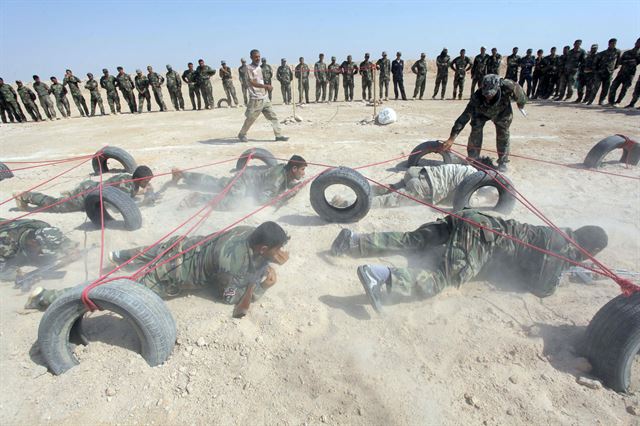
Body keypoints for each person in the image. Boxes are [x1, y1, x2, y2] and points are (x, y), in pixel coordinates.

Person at [330, 209, 608, 313]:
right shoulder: (560, 249)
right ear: (589, 249)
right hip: (483, 238)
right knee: (443, 279)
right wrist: (568, 270)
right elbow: (542, 288)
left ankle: (353, 241)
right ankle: (381, 277)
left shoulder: (556, 235)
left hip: (475, 218)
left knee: (415, 241)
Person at [26, 221, 291, 317]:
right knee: (117, 292)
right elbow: (229, 298)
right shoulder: (233, 265)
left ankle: (117, 255)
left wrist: (268, 257)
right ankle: (45, 297)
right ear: (262, 248)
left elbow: (255, 255)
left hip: (181, 246)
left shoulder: (248, 232)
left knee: (147, 251)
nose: (280, 253)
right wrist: (261, 287)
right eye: (276, 248)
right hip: (170, 275)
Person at [442, 74, 527, 172]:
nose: (488, 97)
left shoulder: (509, 86)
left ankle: (502, 162)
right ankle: (474, 159)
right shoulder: (477, 97)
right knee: (475, 129)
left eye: (491, 94)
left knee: (503, 133)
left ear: (498, 87)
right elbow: (464, 117)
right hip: (482, 112)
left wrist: (521, 104)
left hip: (502, 112)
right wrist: (451, 138)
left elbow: (521, 95)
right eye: (486, 94)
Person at [334, 160, 495, 209]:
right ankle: (347, 203)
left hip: (418, 172)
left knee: (389, 189)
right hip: (426, 186)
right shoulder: (475, 177)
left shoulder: (464, 167)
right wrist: (487, 199)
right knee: (389, 201)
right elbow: (466, 203)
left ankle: (356, 191)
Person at [172, 154, 307, 210]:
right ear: (294, 168)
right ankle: (199, 198)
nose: (304, 173)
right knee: (234, 203)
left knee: (215, 183)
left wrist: (295, 186)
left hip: (245, 177)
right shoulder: (276, 179)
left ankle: (183, 174)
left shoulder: (285, 170)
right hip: (243, 182)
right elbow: (262, 199)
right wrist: (281, 200)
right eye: (302, 170)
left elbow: (284, 183)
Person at [14, 166, 155, 213]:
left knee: (62, 201)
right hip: (86, 196)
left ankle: (71, 193)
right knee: (56, 205)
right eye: (147, 181)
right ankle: (25, 196)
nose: (148, 183)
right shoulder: (126, 186)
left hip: (89, 187)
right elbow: (116, 207)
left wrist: (144, 192)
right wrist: (142, 204)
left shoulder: (129, 178)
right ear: (140, 179)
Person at [0, 218, 77, 281]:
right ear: (33, 242)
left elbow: (57, 237)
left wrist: (69, 249)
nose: (41, 253)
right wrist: (16, 274)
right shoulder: (6, 245)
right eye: (41, 250)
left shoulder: (41, 226)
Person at [237, 49, 289, 143]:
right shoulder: (248, 68)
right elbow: (251, 82)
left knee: (273, 116)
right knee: (251, 118)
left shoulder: (259, 68)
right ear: (251, 57)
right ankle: (242, 134)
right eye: (255, 57)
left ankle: (278, 135)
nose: (258, 58)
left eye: (259, 56)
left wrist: (265, 89)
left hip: (264, 97)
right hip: (256, 99)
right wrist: (265, 86)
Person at [586, 38, 621, 105]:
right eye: (612, 43)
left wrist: (614, 68)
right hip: (600, 73)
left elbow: (618, 62)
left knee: (605, 88)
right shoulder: (602, 53)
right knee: (596, 87)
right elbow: (595, 62)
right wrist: (596, 70)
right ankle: (590, 101)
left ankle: (601, 101)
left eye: (614, 43)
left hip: (609, 73)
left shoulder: (617, 52)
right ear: (609, 44)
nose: (613, 45)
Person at [608, 37, 640, 106]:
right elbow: (620, 62)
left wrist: (631, 61)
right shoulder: (627, 52)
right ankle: (611, 102)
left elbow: (636, 63)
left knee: (624, 89)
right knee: (613, 87)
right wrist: (630, 61)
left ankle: (618, 102)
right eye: (638, 42)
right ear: (635, 43)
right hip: (621, 73)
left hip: (630, 74)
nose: (638, 44)